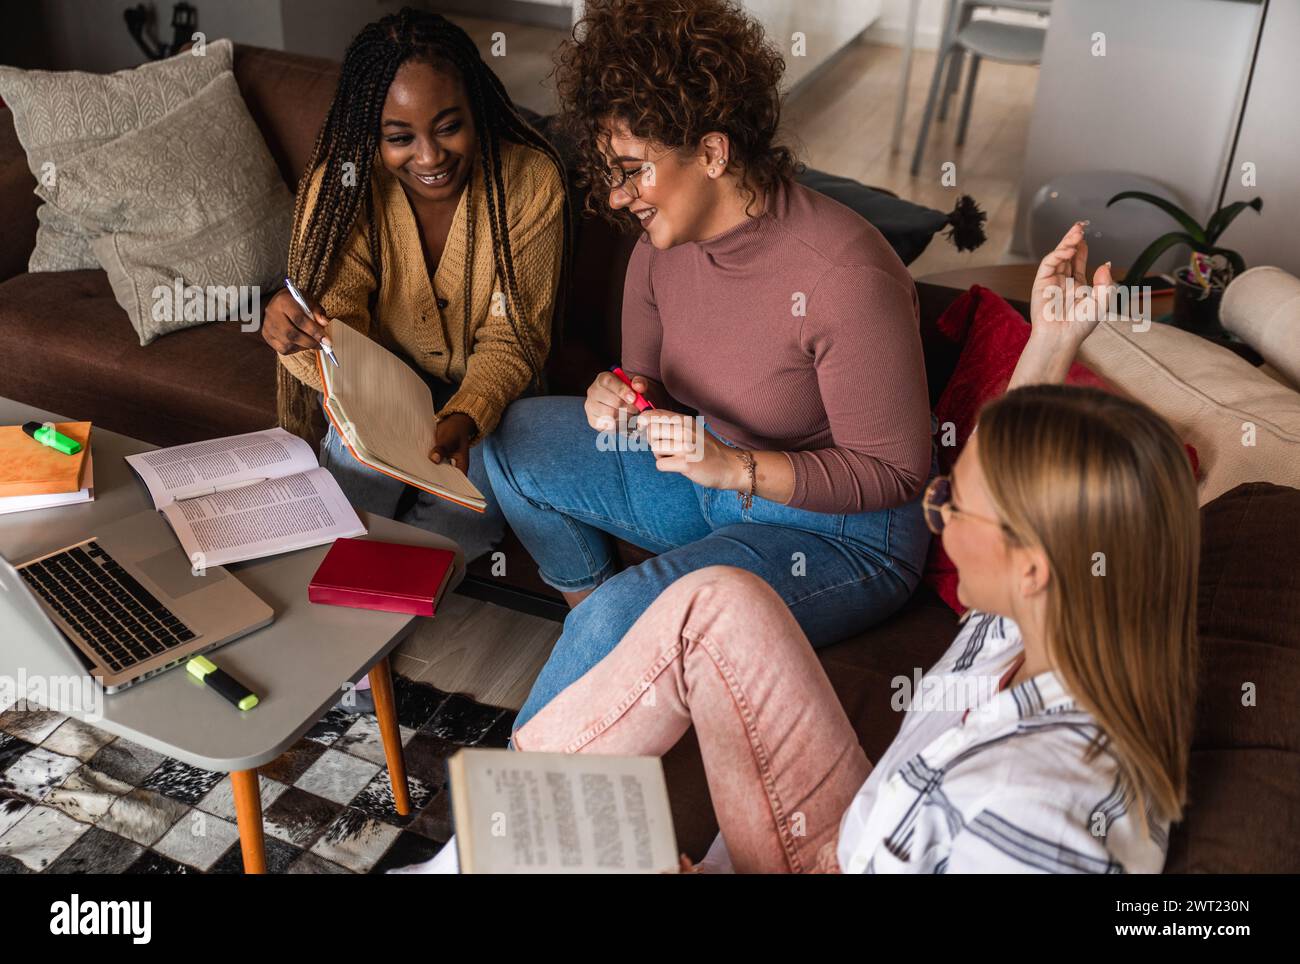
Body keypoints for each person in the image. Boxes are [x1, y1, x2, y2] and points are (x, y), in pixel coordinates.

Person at [412, 222, 1199, 874]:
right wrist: (1055, 340)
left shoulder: (1033, 810)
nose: (937, 505)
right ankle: (492, 838)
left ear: (1034, 564)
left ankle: (469, 860)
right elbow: (1014, 458)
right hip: (860, 836)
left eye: (960, 502)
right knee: (714, 602)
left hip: (836, 860)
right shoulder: (1047, 622)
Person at [482, 0, 935, 729]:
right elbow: (652, 393)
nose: (614, 195)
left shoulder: (845, 276)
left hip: (840, 533)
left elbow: (894, 474)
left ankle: (500, 819)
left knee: (639, 610)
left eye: (632, 171)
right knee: (516, 439)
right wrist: (622, 397)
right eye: (608, 172)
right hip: (707, 481)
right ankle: (605, 652)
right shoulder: (659, 248)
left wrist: (739, 470)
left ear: (715, 153)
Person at [262, 8, 570, 562]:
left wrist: (466, 414)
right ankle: (348, 604)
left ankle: (386, 608)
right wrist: (301, 337)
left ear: (475, 109)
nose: (430, 157)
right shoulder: (343, 188)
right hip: (381, 392)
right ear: (369, 135)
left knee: (459, 531)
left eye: (449, 126)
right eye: (399, 137)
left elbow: (514, 336)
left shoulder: (529, 181)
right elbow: (338, 333)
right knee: (346, 505)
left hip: (490, 396)